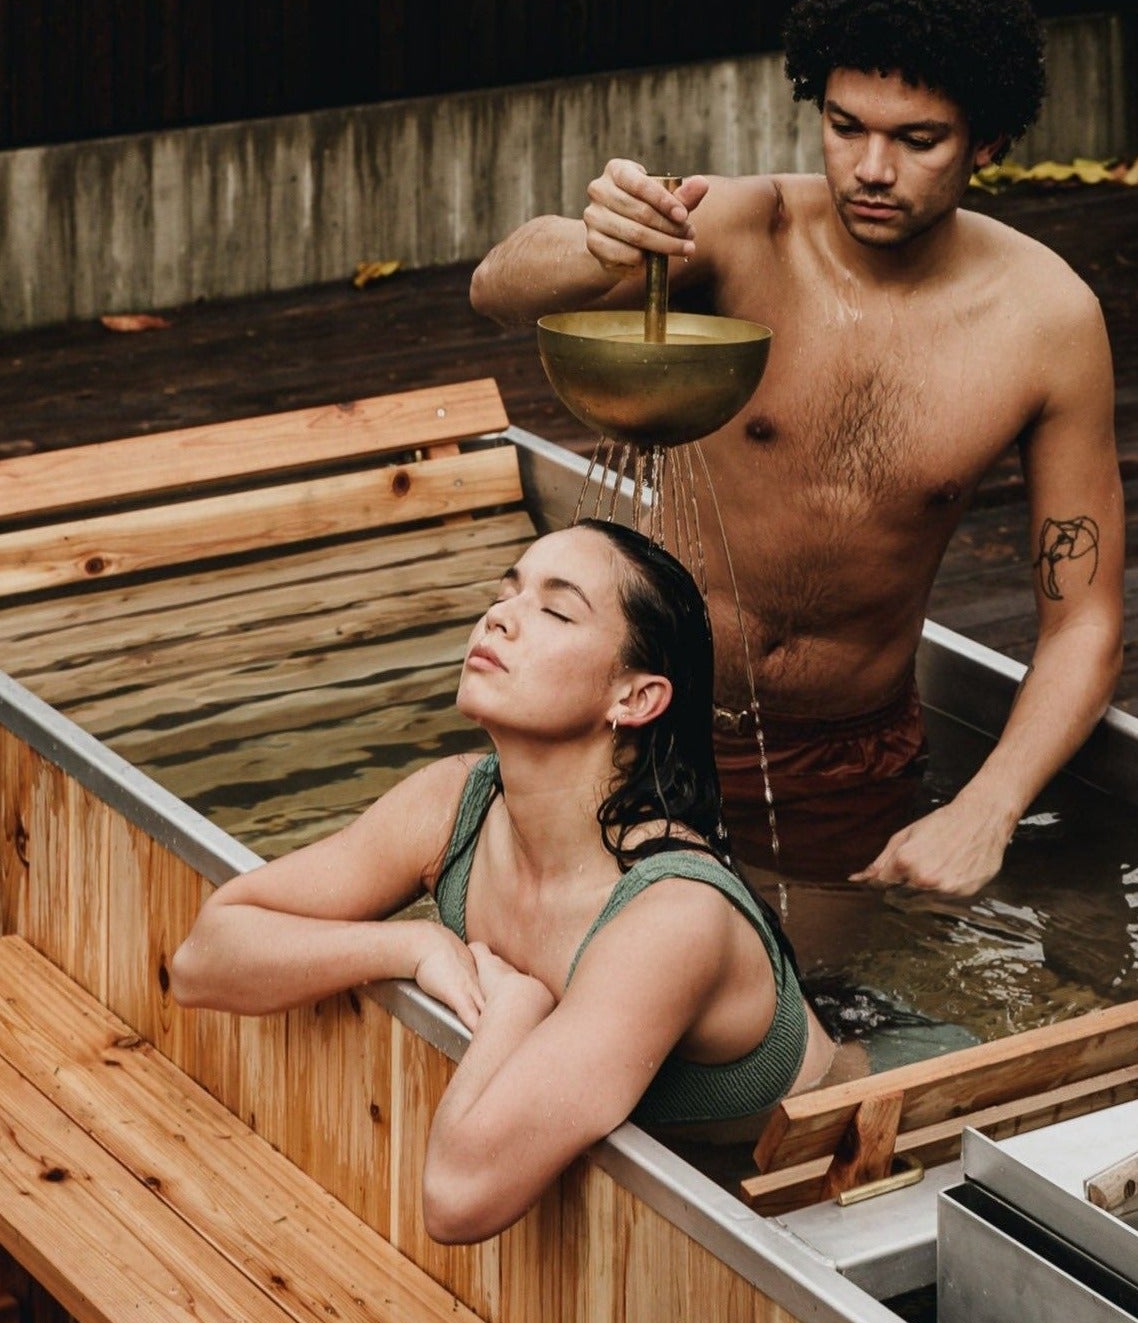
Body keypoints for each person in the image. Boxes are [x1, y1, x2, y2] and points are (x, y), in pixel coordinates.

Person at [469, 0, 1124, 902]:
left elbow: (1084, 621)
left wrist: (988, 806)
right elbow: (497, 288)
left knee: (820, 989)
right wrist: (594, 242)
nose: (871, 169)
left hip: (844, 758)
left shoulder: (1048, 320)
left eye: (918, 140)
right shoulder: (747, 230)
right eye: (845, 126)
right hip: (628, 716)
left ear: (986, 142)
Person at [169, 520, 836, 1244]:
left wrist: (516, 1007)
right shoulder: (455, 803)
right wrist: (412, 948)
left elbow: (457, 1198)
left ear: (635, 698)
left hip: (809, 1189)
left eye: (556, 611)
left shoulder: (672, 915)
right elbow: (202, 961)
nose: (500, 618)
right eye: (505, 593)